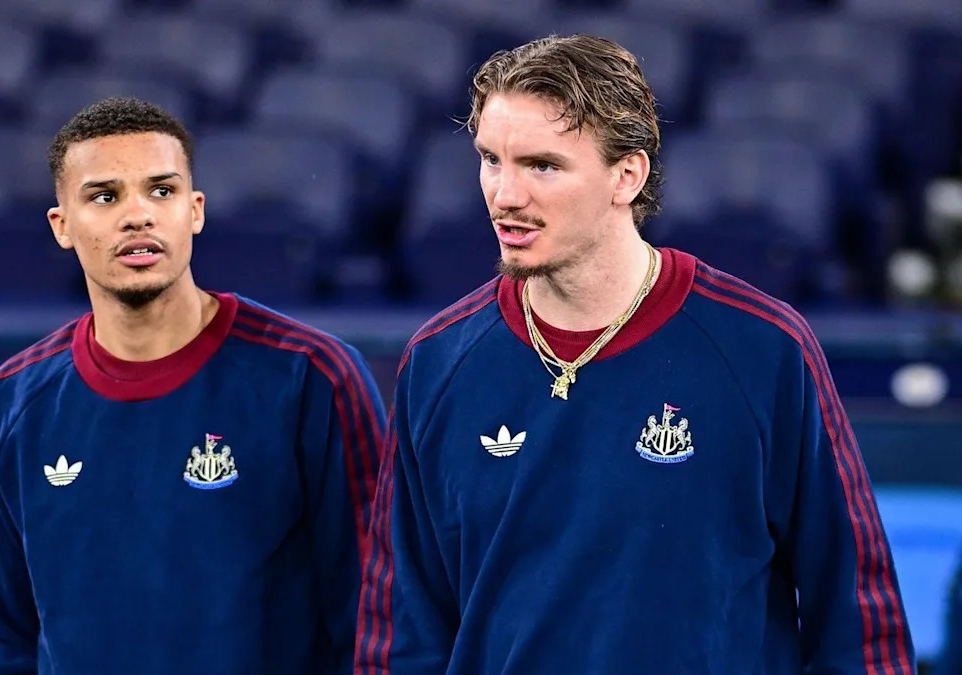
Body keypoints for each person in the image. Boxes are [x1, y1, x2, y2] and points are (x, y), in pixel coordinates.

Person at [356, 35, 916, 674]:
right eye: (491, 159)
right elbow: (402, 632)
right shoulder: (438, 361)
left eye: (542, 166)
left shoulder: (763, 349)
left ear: (628, 175)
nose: (505, 194)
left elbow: (857, 618)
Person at [0, 96, 386, 674]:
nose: (138, 215)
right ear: (62, 226)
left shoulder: (312, 377)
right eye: (104, 196)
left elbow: (376, 618)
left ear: (195, 211)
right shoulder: (13, 402)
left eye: (161, 191)